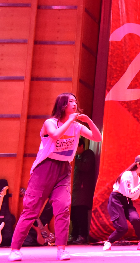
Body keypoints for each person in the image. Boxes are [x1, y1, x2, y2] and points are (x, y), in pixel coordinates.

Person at [8, 93, 102, 262]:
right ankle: (15, 249)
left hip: (63, 169)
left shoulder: (77, 126)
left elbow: (98, 138)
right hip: (44, 169)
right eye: (70, 101)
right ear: (62, 105)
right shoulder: (50, 122)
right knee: (31, 210)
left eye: (75, 101)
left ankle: (61, 249)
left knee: (63, 207)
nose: (74, 104)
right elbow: (55, 135)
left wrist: (88, 121)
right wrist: (70, 120)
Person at [103, 155, 140, 251]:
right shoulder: (127, 175)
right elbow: (129, 193)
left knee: (136, 219)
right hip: (116, 200)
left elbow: (134, 197)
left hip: (127, 201)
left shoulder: (138, 178)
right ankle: (109, 241)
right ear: (138, 164)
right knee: (123, 228)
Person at [70, 138, 96, 245]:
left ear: (81, 146)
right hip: (75, 191)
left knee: (81, 214)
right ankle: (74, 235)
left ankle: (82, 236)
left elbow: (86, 167)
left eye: (76, 147)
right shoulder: (78, 157)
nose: (74, 150)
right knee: (74, 214)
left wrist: (74, 159)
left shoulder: (88, 154)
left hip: (82, 191)